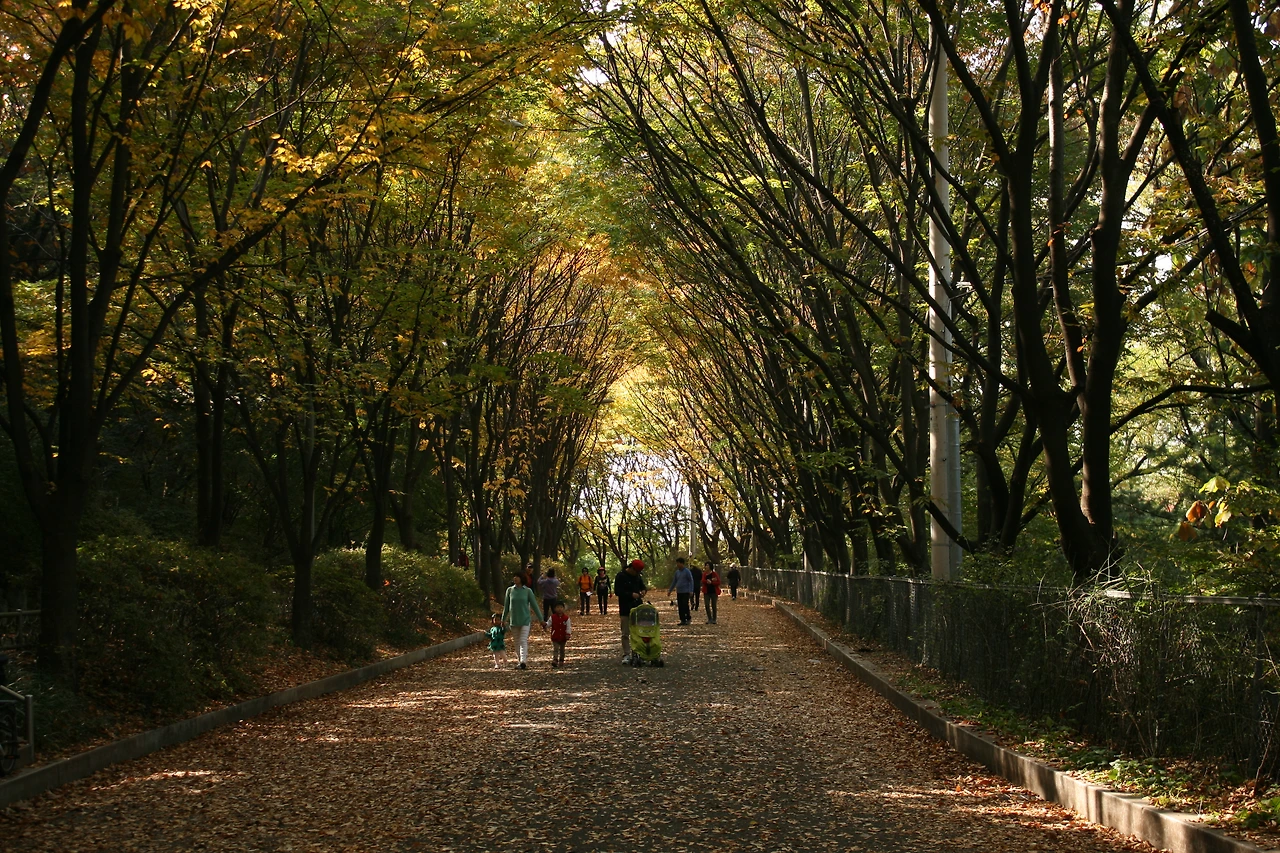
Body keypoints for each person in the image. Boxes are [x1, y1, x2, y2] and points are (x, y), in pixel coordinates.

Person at [501, 573, 544, 670]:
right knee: (517, 641)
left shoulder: (528, 591)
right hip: (514, 620)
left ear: (522, 579)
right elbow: (506, 607)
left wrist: (541, 619)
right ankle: (520, 661)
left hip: (525, 620)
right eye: (514, 576)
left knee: (523, 640)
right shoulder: (510, 590)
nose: (515, 578)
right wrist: (503, 619)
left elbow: (535, 606)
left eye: (517, 576)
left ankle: (523, 661)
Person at [615, 559, 647, 663]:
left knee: (638, 631)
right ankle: (626, 654)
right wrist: (630, 594)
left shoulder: (637, 577)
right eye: (636, 571)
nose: (637, 574)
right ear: (631, 568)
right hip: (625, 607)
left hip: (637, 607)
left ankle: (638, 652)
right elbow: (617, 591)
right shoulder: (620, 576)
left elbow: (643, 586)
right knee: (625, 633)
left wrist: (643, 591)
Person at [666, 557, 695, 625]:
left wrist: (691, 590)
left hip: (685, 591)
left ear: (682, 563)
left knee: (685, 605)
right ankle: (682, 620)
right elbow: (674, 582)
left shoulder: (687, 571)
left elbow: (691, 581)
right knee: (680, 606)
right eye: (677, 563)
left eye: (678, 563)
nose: (677, 565)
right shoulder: (677, 572)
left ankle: (688, 618)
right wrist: (670, 590)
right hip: (679, 591)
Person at [545, 601, 572, 667]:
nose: (559, 609)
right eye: (558, 607)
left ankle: (561, 660)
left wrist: (568, 634)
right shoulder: (552, 617)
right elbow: (548, 624)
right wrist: (545, 625)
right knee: (556, 648)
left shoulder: (566, 618)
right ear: (554, 609)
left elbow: (568, 627)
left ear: (563, 608)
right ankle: (555, 659)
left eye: (561, 607)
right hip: (555, 636)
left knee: (562, 649)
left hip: (563, 636)